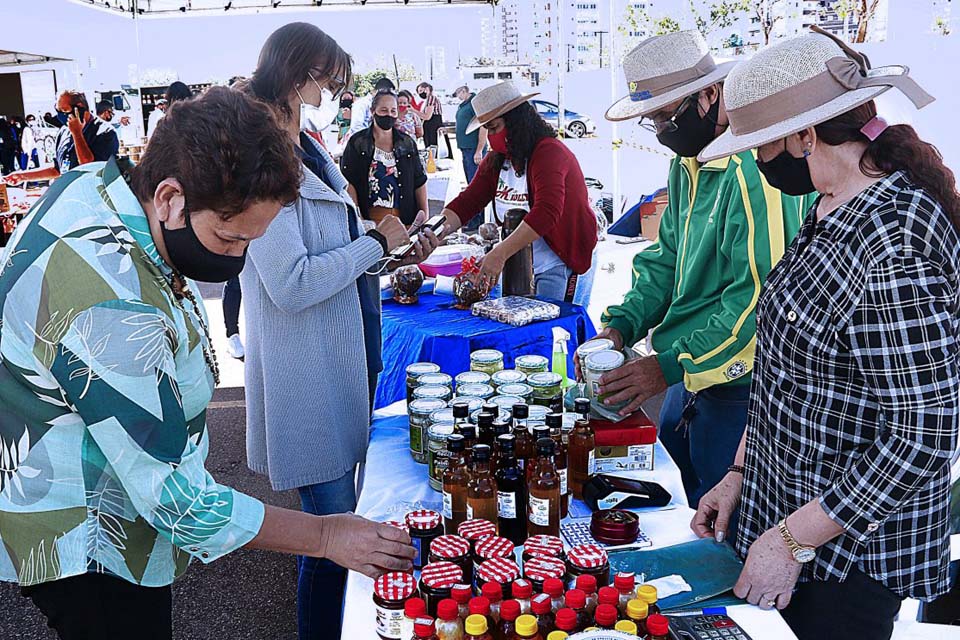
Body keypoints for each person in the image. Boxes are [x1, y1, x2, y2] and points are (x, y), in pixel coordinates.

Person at [0, 86, 415, 640]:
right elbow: (179, 503)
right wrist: (325, 536)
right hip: (87, 528)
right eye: (227, 237)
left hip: (104, 474)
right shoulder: (107, 305)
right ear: (169, 197)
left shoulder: (109, 184)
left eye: (251, 240)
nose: (238, 258)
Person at [692, 28, 956, 640]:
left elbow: (923, 434)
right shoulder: (832, 201)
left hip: (848, 561)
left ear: (807, 135)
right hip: (788, 520)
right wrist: (739, 473)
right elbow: (790, 376)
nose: (759, 164)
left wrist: (791, 539)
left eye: (762, 147)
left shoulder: (892, 246)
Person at [239, 23, 440, 640]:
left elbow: (336, 247)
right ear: (299, 72)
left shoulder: (301, 142)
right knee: (327, 537)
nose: (334, 89)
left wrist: (391, 254)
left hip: (332, 354)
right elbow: (292, 282)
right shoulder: (258, 153)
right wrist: (376, 242)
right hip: (306, 369)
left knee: (335, 528)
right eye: (328, 77)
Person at [588, 31, 813, 507]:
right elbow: (666, 263)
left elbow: (759, 304)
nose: (664, 130)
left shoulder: (755, 169)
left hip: (740, 397)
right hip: (687, 384)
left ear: (711, 93)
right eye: (654, 121)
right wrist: (621, 326)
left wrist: (666, 367)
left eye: (667, 116)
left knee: (726, 537)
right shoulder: (687, 164)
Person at [438, 81, 597, 304]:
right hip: (521, 263)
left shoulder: (549, 152)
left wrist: (500, 253)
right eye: (487, 130)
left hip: (560, 261)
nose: (491, 137)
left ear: (516, 122)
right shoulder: (497, 159)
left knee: (555, 331)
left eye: (494, 128)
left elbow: (547, 211)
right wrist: (434, 232)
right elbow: (468, 202)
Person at [341, 90, 429, 226]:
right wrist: (359, 219)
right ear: (373, 111)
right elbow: (349, 181)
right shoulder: (358, 142)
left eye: (393, 111)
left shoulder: (407, 143)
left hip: (405, 221)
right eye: (383, 110)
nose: (389, 114)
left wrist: (424, 215)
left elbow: (419, 180)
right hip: (370, 220)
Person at [2, 91, 119, 185]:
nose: (60, 116)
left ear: (79, 108)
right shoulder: (64, 131)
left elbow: (89, 167)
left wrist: (77, 134)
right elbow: (57, 169)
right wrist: (22, 176)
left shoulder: (105, 133)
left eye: (64, 111)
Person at [453, 85, 489, 232]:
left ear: (464, 91)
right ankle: (475, 220)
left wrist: (479, 150)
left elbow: (483, 126)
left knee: (475, 187)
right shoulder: (464, 106)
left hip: (473, 149)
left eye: (457, 93)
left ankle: (476, 221)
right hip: (466, 149)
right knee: (471, 184)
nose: (457, 96)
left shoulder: (474, 103)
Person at [414, 81, 445, 152]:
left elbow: (427, 116)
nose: (420, 93)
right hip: (430, 127)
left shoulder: (431, 98)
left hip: (432, 127)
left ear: (427, 89)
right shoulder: (427, 100)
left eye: (421, 90)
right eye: (419, 92)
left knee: (433, 150)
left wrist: (413, 110)